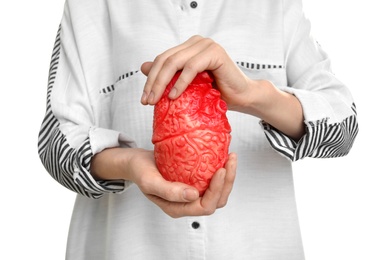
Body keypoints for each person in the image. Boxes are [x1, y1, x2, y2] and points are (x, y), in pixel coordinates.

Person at [38, 0, 358, 259]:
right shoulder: (90, 6)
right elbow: (55, 143)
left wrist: (252, 94)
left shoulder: (276, 6)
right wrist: (130, 164)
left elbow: (344, 127)